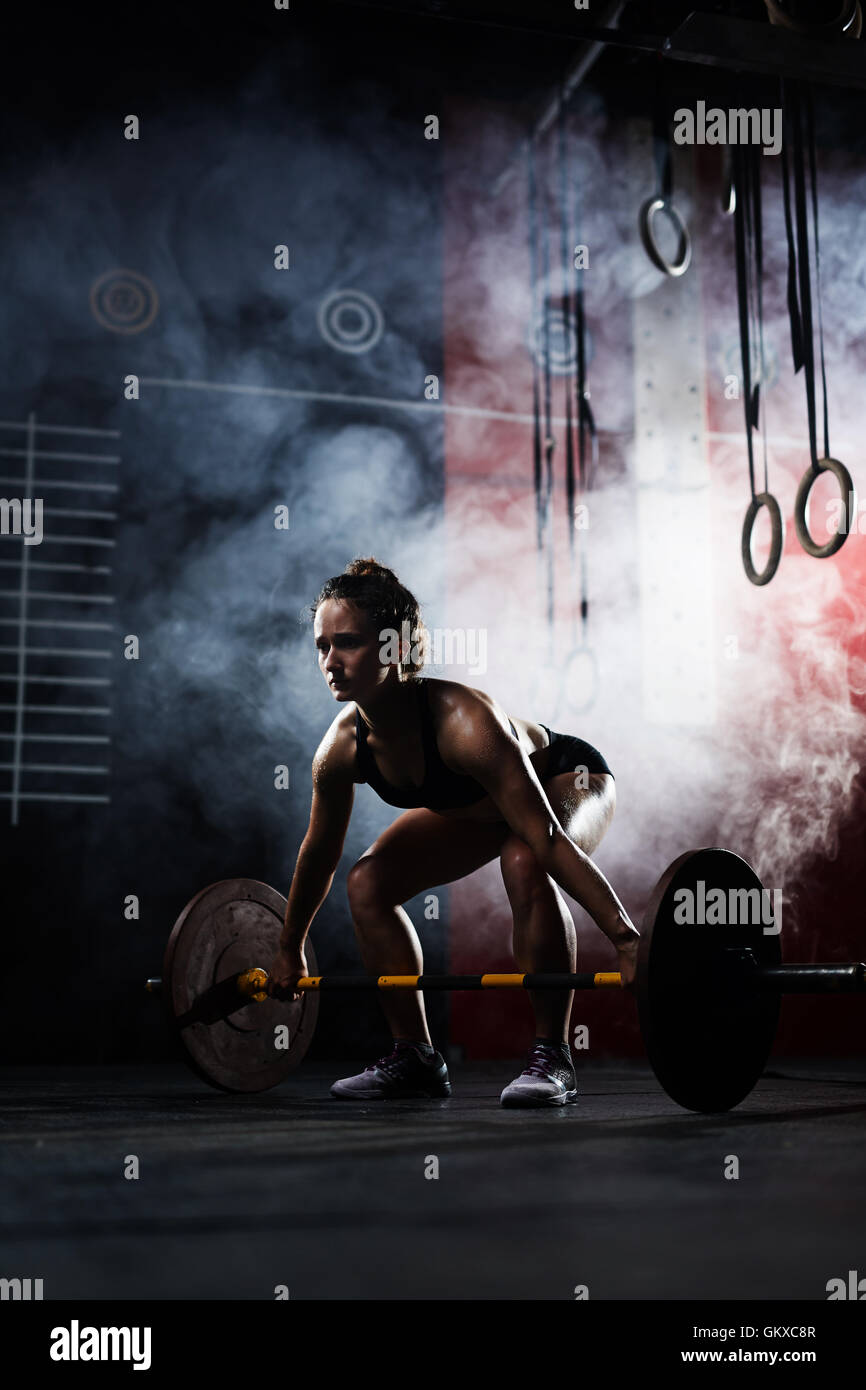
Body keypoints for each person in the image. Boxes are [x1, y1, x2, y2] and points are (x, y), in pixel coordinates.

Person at [269, 556, 639, 1108]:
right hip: (480, 809)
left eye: (346, 643)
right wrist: (289, 946)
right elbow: (320, 853)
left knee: (523, 857)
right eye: (321, 646)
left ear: (395, 648)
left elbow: (546, 839)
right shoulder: (342, 748)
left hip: (564, 777)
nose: (330, 661)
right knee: (368, 883)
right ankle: (414, 1057)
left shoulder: (463, 721)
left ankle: (553, 1057)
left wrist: (627, 938)